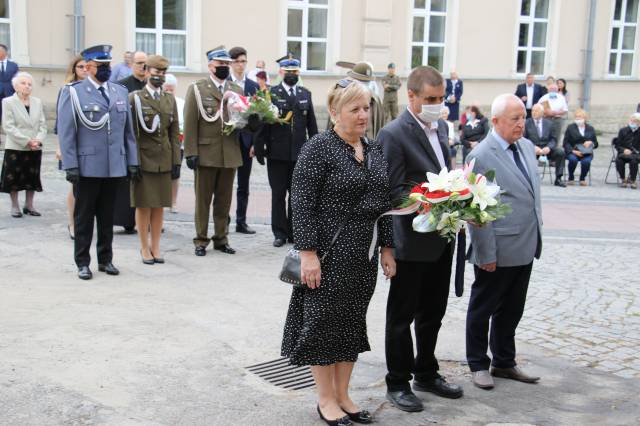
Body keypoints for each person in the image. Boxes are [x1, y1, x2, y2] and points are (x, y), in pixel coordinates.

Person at [281, 79, 395, 426]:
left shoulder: (374, 149)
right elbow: (300, 204)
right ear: (334, 112)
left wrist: (388, 247)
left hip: (365, 254)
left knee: (351, 323)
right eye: (355, 109)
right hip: (329, 254)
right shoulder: (319, 148)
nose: (363, 115)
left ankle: (344, 395)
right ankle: (325, 399)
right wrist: (307, 254)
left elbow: (384, 204)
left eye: (367, 108)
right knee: (323, 325)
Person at [379, 66, 462, 413]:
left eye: (440, 99)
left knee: (433, 312)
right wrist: (434, 197)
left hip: (441, 237)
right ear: (410, 96)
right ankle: (397, 381)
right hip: (411, 241)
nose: (436, 105)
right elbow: (393, 191)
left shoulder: (439, 128)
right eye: (430, 99)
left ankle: (426, 372)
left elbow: (444, 172)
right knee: (402, 316)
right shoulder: (393, 134)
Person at [465, 93, 543, 390]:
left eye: (523, 117)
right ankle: (477, 363)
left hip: (524, 243)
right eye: (515, 119)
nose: (521, 124)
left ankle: (504, 361)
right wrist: (486, 252)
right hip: (497, 247)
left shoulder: (524, 146)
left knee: (512, 308)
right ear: (495, 121)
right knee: (483, 307)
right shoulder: (481, 155)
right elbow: (477, 210)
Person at [57, 44, 139, 280]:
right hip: (87, 165)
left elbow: (128, 132)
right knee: (84, 217)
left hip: (114, 165)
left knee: (107, 216)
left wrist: (131, 160)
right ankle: (83, 262)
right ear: (89, 67)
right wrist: (70, 164)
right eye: (101, 66)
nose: (105, 69)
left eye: (107, 65)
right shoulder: (73, 92)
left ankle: (106, 259)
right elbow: (66, 132)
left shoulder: (119, 91)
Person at [183, 46, 243, 256]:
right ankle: (201, 239)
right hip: (206, 152)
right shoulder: (198, 89)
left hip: (229, 153)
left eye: (227, 64)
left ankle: (221, 238)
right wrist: (190, 151)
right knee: (203, 200)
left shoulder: (236, 90)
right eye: (220, 64)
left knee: (224, 201)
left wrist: (253, 121)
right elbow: (190, 121)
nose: (224, 68)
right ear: (210, 66)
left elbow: (240, 120)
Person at [254, 55, 318, 247]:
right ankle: (279, 233)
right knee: (278, 194)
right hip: (277, 154)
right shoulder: (272, 94)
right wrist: (259, 148)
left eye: (295, 72)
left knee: (296, 196)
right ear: (281, 72)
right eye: (288, 72)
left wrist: (315, 151)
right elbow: (263, 124)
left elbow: (312, 125)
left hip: (299, 154)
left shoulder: (305, 94)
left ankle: (294, 232)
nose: (292, 75)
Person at [129, 55, 180, 264]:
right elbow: (130, 133)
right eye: (155, 72)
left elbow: (174, 132)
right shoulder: (136, 98)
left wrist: (176, 161)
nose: (159, 76)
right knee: (143, 205)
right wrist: (132, 161)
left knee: (159, 205)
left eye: (162, 73)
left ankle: (156, 246)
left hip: (164, 159)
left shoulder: (169, 99)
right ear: (147, 71)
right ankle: (143, 247)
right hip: (144, 158)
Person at [1, 72, 46, 218]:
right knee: (13, 177)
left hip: (34, 147)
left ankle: (29, 205)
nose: (27, 86)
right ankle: (15, 206)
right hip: (16, 146)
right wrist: (27, 141)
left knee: (32, 176)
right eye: (23, 83)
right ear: (15, 86)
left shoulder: (37, 102)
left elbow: (43, 125)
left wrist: (38, 140)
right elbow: (8, 126)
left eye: (30, 84)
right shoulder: (8, 102)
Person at [114, 50, 148, 232]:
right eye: (139, 63)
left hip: (149, 142)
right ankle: (127, 220)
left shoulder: (151, 85)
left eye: (145, 63)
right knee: (127, 182)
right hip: (129, 138)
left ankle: (147, 219)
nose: (143, 67)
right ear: (131, 65)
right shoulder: (122, 86)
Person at [55, 55, 88, 238]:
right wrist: (61, 147)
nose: (84, 69)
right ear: (74, 69)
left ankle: (85, 222)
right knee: (74, 187)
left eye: (86, 66)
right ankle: (72, 223)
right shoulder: (67, 89)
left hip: (88, 143)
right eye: (80, 66)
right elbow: (62, 121)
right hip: (71, 143)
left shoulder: (92, 89)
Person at [229, 46, 260, 235]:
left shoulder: (252, 86)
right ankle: (223, 219)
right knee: (224, 184)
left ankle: (241, 221)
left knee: (244, 184)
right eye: (237, 61)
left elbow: (257, 119)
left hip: (246, 140)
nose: (241, 65)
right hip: (229, 139)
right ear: (231, 63)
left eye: (243, 61)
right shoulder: (225, 84)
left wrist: (256, 142)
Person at [330, 61, 385, 140]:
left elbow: (380, 127)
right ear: (353, 80)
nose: (365, 85)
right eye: (361, 81)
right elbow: (332, 126)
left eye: (367, 82)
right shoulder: (340, 98)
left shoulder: (375, 100)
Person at [524, 104, 566, 187]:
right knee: (524, 153)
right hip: (532, 149)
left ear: (542, 113)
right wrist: (532, 147)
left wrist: (549, 147)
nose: (533, 112)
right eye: (532, 110)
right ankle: (528, 179)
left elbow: (554, 139)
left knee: (560, 152)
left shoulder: (549, 124)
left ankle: (558, 178)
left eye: (536, 111)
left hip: (546, 149)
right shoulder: (526, 123)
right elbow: (523, 138)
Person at [163, 73, 185, 212]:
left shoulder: (181, 103)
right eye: (167, 89)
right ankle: (162, 200)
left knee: (175, 174)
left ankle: (173, 202)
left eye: (172, 89)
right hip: (162, 145)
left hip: (178, 144)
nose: (169, 92)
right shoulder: (158, 101)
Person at [563, 108, 598, 186]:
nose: (578, 118)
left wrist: (591, 142)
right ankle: (571, 177)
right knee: (573, 160)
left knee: (586, 161)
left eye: (580, 117)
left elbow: (596, 143)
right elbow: (565, 142)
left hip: (586, 152)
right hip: (573, 151)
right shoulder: (570, 127)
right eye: (576, 117)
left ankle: (582, 178)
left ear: (585, 118)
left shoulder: (590, 128)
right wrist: (573, 151)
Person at [614, 113, 640, 188]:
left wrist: (635, 152)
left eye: (635, 121)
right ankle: (623, 179)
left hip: (636, 154)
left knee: (634, 161)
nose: (633, 122)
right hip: (623, 153)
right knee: (619, 160)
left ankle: (632, 180)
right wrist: (624, 150)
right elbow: (617, 145)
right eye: (631, 120)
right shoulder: (623, 130)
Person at [0, 43, 19, 125]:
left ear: (5, 52)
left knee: (10, 119)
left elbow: (17, 80)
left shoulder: (13, 65)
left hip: (10, 94)